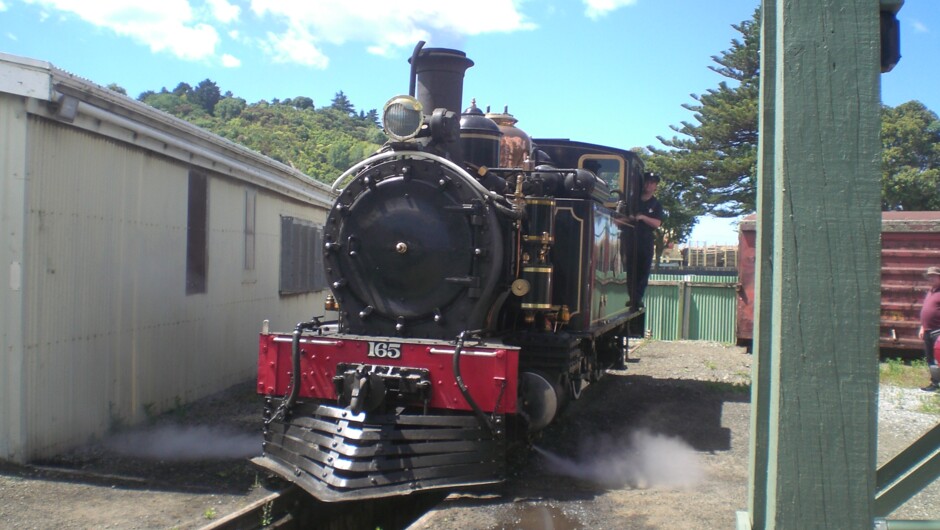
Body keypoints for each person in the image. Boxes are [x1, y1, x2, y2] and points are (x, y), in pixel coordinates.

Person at [622, 172, 665, 312]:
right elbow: (622, 218)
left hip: (645, 239)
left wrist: (642, 217)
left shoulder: (656, 204)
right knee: (630, 268)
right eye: (647, 182)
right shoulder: (633, 200)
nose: (648, 185)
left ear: (655, 187)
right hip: (630, 237)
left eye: (652, 183)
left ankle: (638, 298)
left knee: (643, 270)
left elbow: (657, 223)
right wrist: (630, 218)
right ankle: (631, 297)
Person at [918, 266, 940, 391]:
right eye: (929, 276)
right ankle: (935, 383)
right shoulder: (930, 292)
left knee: (939, 359)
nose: (930, 278)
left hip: (938, 331)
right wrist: (922, 327)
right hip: (927, 331)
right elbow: (926, 311)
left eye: (933, 276)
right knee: (930, 358)